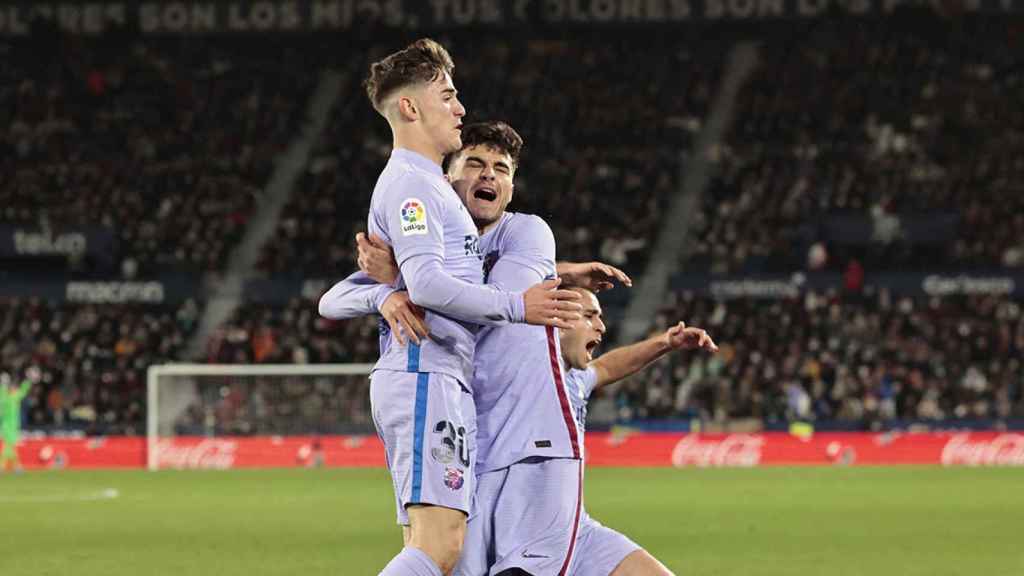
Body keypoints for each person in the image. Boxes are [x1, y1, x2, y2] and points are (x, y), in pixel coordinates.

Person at [322, 120, 631, 576]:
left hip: (519, 439)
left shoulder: (527, 234)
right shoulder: (425, 239)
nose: (489, 175)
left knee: (438, 552)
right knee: (437, 553)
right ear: (448, 178)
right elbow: (332, 300)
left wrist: (405, 278)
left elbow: (496, 302)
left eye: (501, 169)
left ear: (510, 189)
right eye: (475, 163)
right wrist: (384, 293)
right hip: (455, 418)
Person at [559, 286, 716, 575]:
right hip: (527, 540)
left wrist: (667, 342)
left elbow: (607, 367)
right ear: (558, 320)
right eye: (590, 316)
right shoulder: (523, 374)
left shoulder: (574, 379)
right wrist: (567, 272)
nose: (601, 326)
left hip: (577, 532)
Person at [1, 367, 39, 473]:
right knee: (9, 445)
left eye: (15, 387)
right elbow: (4, 391)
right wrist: (3, 383)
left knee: (9, 446)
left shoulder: (15, 396)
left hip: (14, 425)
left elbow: (24, 389)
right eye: (12, 387)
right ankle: (12, 466)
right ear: (10, 388)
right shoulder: (5, 396)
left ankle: (8, 466)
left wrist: (29, 380)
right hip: (6, 425)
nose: (14, 388)